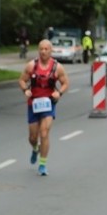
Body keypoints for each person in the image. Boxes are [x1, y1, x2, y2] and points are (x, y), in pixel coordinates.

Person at [17, 39, 70, 176]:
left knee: (44, 133)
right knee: (33, 137)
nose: (43, 51)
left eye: (46, 49)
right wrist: (25, 90)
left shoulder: (57, 67)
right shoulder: (31, 66)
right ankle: (35, 148)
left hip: (48, 104)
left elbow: (65, 83)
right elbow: (22, 80)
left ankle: (42, 164)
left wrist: (59, 93)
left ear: (51, 51)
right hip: (33, 104)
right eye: (41, 49)